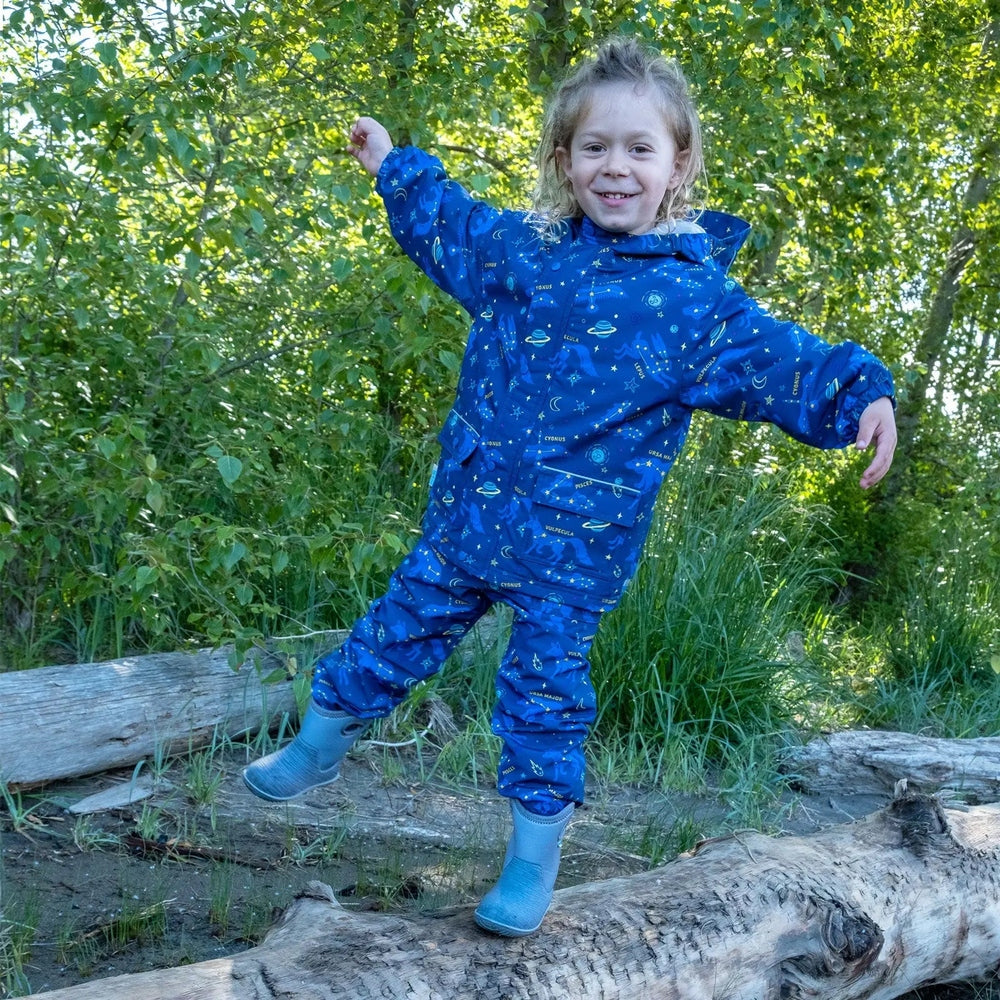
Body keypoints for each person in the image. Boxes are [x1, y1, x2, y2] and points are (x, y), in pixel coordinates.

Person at [244, 37, 897, 937]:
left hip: (574, 552)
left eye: (640, 149)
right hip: (466, 521)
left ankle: (530, 857)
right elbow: (452, 222)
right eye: (595, 148)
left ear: (679, 167)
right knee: (389, 636)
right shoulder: (523, 252)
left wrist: (862, 394)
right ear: (564, 160)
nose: (616, 167)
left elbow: (789, 360)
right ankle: (316, 750)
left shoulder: (695, 306)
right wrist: (393, 163)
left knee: (543, 694)